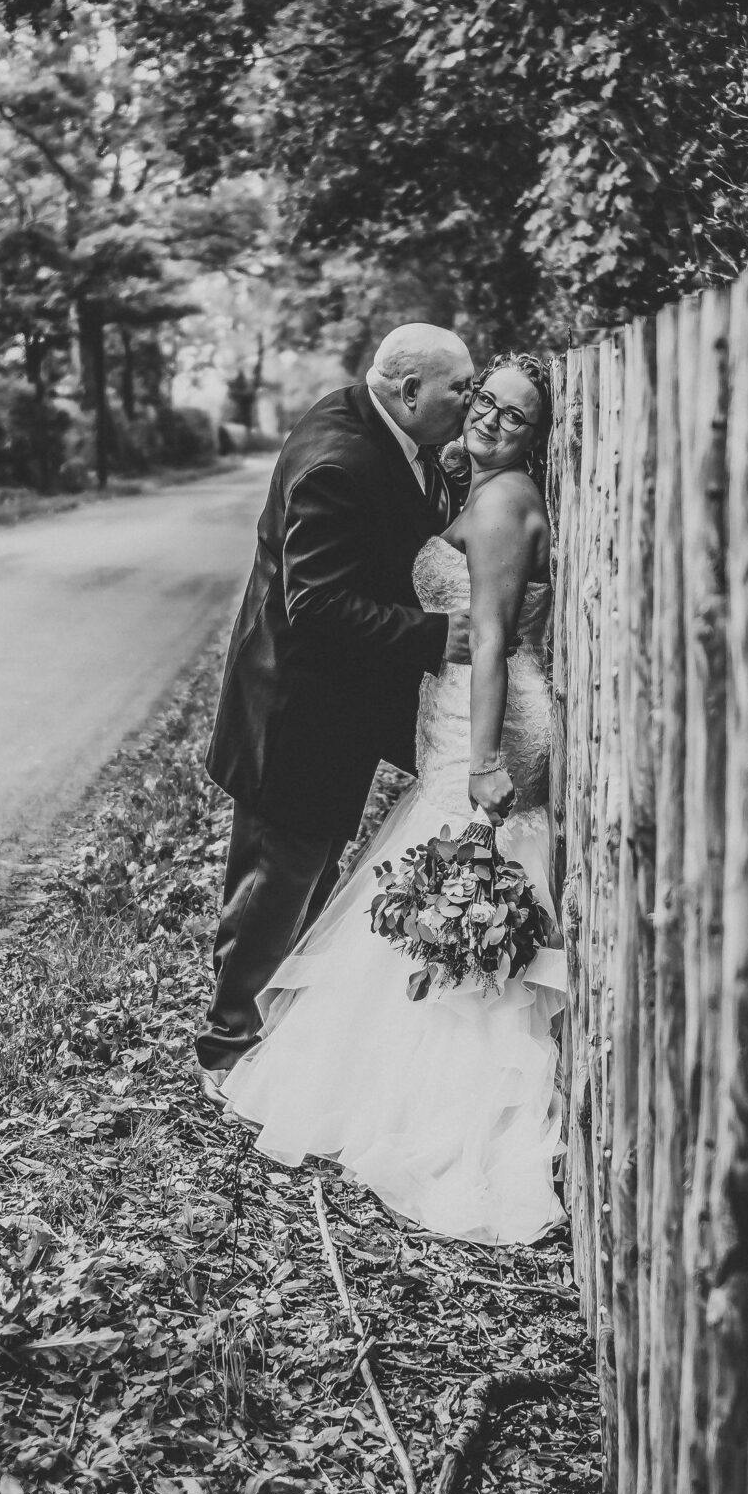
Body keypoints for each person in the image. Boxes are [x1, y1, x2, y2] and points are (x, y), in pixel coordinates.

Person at [222, 355, 564, 1246]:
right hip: (453, 711)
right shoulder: (437, 473)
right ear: (421, 394)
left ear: (538, 435)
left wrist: (486, 757)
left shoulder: (495, 502)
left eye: (512, 414)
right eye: (480, 398)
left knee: (464, 874)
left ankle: (446, 1096)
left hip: (483, 720)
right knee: (433, 878)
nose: (486, 417)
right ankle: (295, 1049)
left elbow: (486, 644)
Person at [197, 323, 478, 1096]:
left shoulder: (376, 427)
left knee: (308, 872)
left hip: (332, 709)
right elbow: (315, 605)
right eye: (458, 386)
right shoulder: (339, 458)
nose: (470, 397)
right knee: (274, 881)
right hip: (294, 711)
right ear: (406, 390)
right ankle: (227, 1047)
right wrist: (435, 636)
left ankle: (276, 1029)